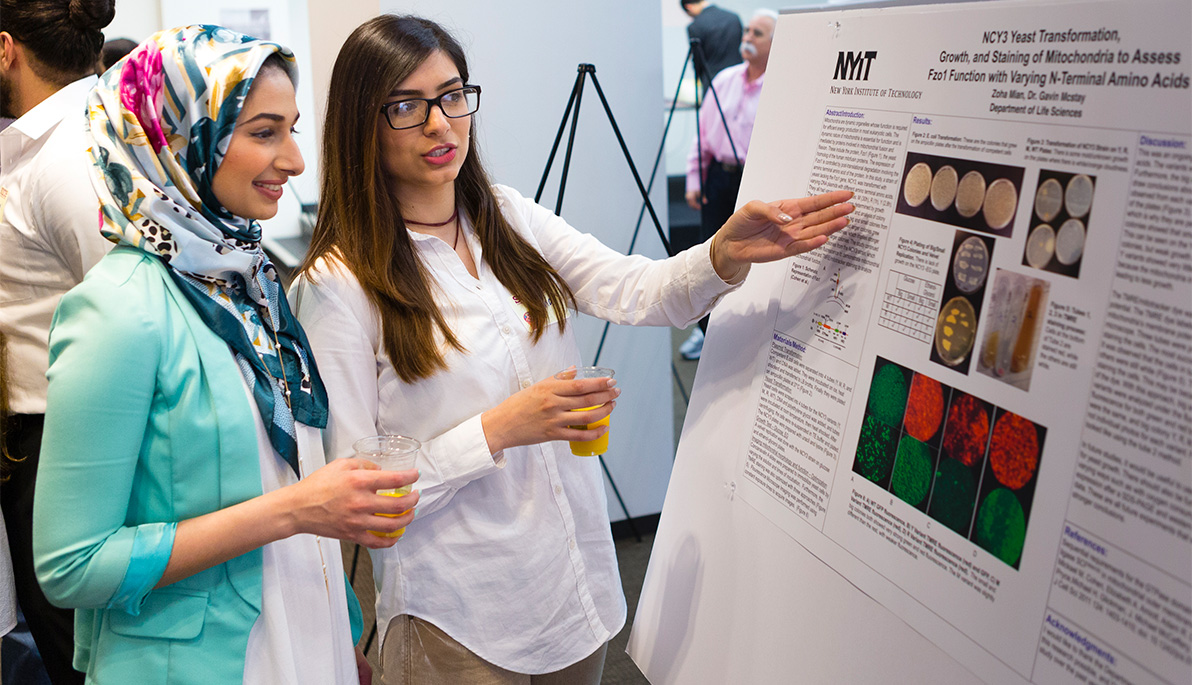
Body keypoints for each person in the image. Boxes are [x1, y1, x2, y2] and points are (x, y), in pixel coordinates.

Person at [293, 15, 852, 684]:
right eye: (407, 108)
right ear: (364, 124)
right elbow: (359, 496)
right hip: (461, 615)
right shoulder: (339, 280)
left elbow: (641, 290)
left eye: (451, 95)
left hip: (573, 584)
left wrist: (722, 253)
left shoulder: (507, 217)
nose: (442, 125)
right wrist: (503, 427)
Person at [32, 25, 419, 685]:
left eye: (292, 130)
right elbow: (72, 562)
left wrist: (338, 628)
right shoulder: (119, 310)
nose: (296, 161)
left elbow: (284, 471)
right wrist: (298, 510)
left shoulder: (250, 283)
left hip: (302, 636)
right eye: (265, 132)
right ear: (176, 136)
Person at [0, 2, 117, 681]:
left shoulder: (68, 151)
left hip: (65, 438)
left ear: (6, 49)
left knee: (80, 653)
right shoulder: (41, 138)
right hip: (44, 434)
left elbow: (127, 309)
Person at [680, 8, 778, 360]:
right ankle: (705, 330)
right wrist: (695, 178)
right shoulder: (723, 80)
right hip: (720, 178)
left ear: (775, 42)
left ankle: (744, 333)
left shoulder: (781, 86)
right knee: (709, 253)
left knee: (751, 257)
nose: (747, 37)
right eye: (747, 31)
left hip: (757, 181)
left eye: (758, 33)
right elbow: (702, 135)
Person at [680, 0, 743, 91]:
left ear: (689, 7)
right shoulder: (734, 18)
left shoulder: (695, 26)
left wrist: (698, 77)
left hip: (712, 80)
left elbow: (698, 59)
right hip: (737, 77)